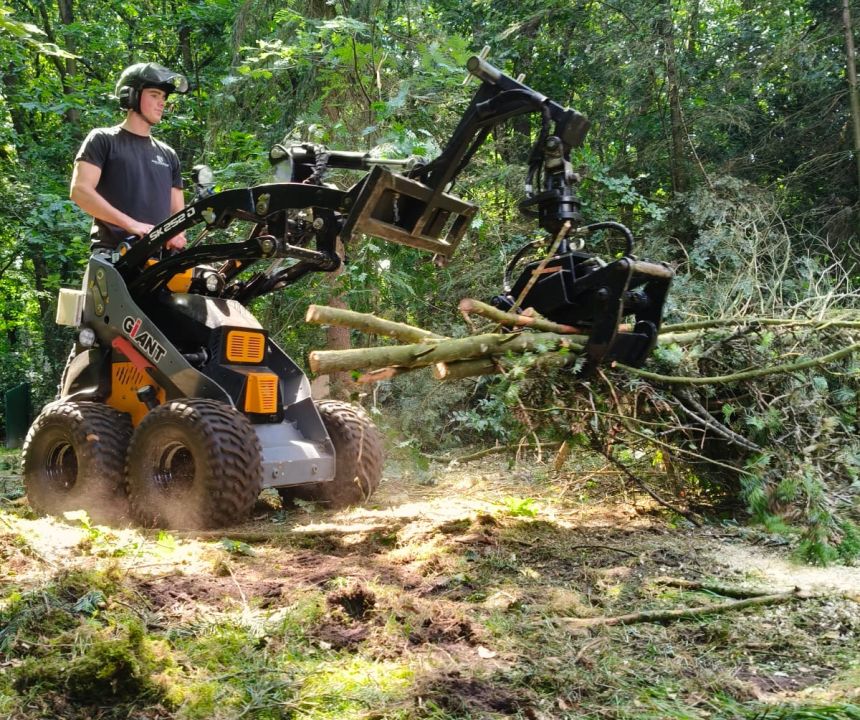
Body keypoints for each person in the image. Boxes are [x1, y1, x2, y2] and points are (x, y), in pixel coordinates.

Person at [70, 62, 189, 252]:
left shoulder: (168, 154)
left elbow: (179, 212)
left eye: (164, 97)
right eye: (154, 95)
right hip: (113, 255)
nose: (162, 103)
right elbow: (80, 191)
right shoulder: (103, 139)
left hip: (159, 262)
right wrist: (131, 224)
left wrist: (177, 234)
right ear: (131, 96)